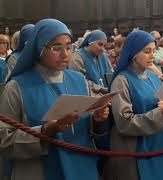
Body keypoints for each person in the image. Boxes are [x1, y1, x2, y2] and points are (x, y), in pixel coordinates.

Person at [0, 19, 109, 180]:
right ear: (39, 48)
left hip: (81, 168)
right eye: (56, 48)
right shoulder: (17, 87)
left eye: (68, 47)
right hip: (39, 170)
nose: (65, 54)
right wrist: (45, 132)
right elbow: (4, 141)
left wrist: (96, 120)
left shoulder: (79, 79)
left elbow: (84, 128)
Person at [104, 30, 163, 180]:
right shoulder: (122, 81)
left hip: (157, 143)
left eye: (153, 50)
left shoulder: (152, 76)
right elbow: (124, 123)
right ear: (133, 53)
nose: (153, 55)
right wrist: (161, 113)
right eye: (147, 51)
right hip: (134, 148)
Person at [70, 30, 113, 94]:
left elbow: (111, 73)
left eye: (104, 45)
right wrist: (99, 88)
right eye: (100, 44)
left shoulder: (103, 56)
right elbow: (78, 80)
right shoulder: (77, 57)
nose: (102, 49)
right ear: (90, 42)